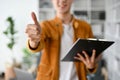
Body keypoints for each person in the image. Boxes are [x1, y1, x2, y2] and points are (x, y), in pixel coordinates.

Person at [25, 0, 101, 80]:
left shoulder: (85, 27)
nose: (62, 1)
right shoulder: (45, 26)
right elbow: (37, 46)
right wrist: (34, 41)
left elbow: (89, 59)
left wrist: (91, 66)